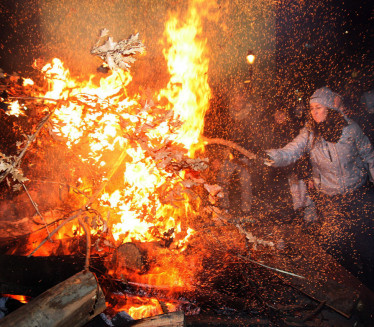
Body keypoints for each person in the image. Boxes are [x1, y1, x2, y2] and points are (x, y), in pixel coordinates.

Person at [263, 86, 374, 290]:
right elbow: (291, 151)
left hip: (357, 194)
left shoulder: (351, 129)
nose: (314, 112)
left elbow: (369, 156)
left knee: (366, 246)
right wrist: (273, 157)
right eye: (312, 108)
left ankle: (370, 287)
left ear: (330, 108)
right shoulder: (310, 134)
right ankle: (354, 290)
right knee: (338, 245)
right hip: (330, 199)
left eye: (319, 108)